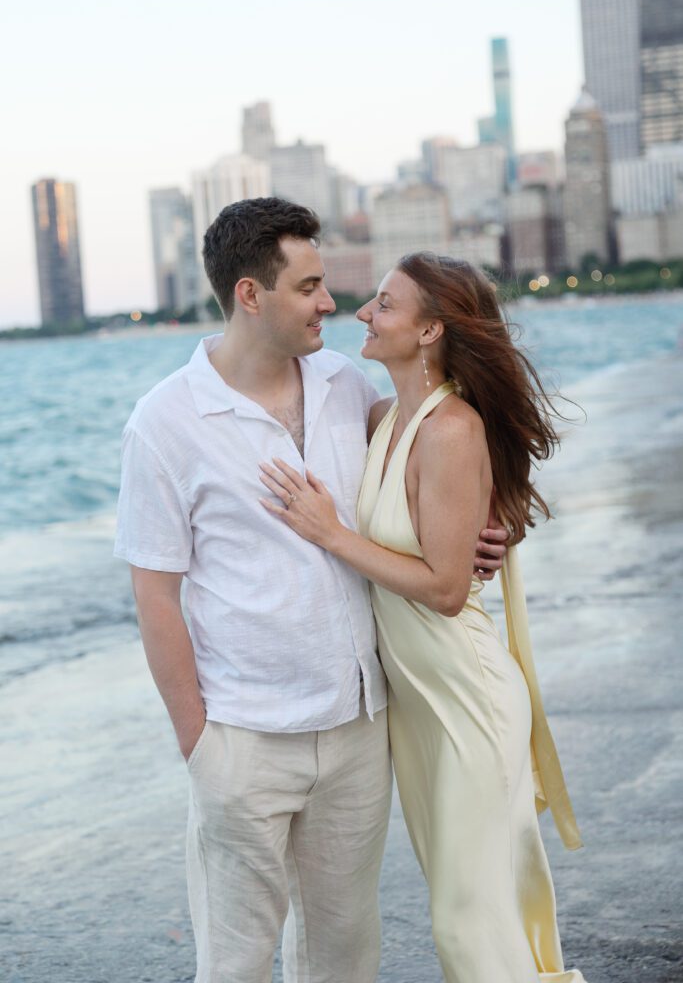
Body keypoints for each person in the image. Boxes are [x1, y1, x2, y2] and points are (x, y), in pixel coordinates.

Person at [114, 198, 507, 983]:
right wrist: (200, 743)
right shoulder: (164, 421)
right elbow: (155, 594)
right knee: (235, 964)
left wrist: (480, 534)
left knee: (345, 959)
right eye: (310, 286)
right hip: (244, 738)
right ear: (250, 295)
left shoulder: (339, 384)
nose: (331, 302)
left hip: (358, 727)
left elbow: (421, 470)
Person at [260, 251, 586, 982]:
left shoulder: (449, 428)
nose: (361, 315)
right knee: (472, 907)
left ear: (430, 329)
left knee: (466, 920)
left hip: (464, 696)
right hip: (418, 707)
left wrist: (329, 532)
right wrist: (496, 522)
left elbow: (443, 589)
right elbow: (465, 520)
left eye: (383, 305)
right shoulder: (385, 418)